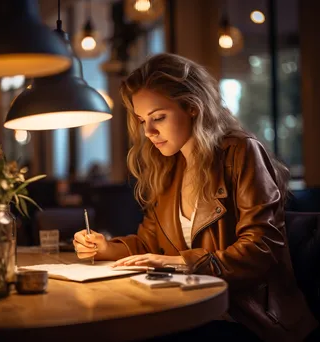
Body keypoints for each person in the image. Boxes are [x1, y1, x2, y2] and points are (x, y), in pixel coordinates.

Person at [73, 53, 318, 341]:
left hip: (248, 318)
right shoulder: (168, 166)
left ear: (192, 107)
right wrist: (106, 249)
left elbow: (260, 250)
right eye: (142, 121)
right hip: (192, 309)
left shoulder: (240, 152)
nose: (149, 132)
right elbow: (151, 244)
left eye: (158, 118)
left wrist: (180, 262)